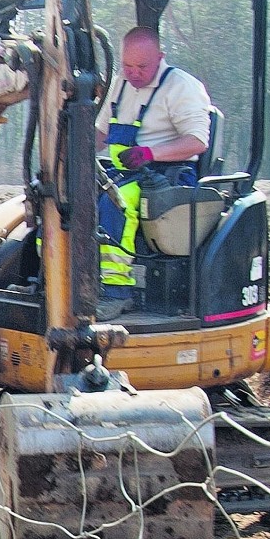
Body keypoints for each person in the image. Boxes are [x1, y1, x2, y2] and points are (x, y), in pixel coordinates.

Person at [95, 26, 212, 320]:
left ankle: (116, 293)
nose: (133, 73)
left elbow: (197, 141)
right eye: (127, 65)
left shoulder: (181, 87)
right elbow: (100, 133)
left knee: (115, 202)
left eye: (142, 67)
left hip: (167, 173)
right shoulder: (120, 83)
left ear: (160, 57)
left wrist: (150, 153)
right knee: (63, 192)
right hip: (122, 170)